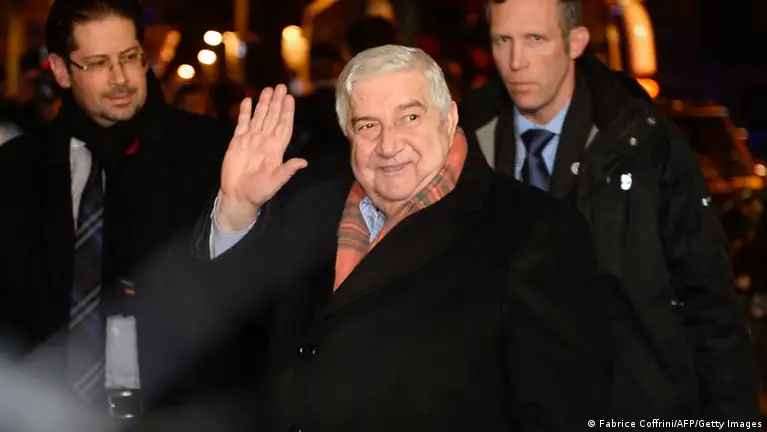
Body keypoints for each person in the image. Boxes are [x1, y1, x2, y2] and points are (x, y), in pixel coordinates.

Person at [199, 44, 611, 431]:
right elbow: (231, 336)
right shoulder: (310, 211)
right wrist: (237, 208)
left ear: (448, 119)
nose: (388, 145)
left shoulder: (534, 230)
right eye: (368, 126)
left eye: (409, 118)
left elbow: (562, 413)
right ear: (348, 135)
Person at [458, 0, 760, 423]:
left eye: (535, 39)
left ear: (575, 42)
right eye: (502, 40)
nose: (516, 60)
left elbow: (710, 302)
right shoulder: (464, 145)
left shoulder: (646, 145)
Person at [0, 0, 235, 423]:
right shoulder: (16, 169)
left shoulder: (212, 153)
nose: (120, 78)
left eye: (129, 57)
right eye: (97, 63)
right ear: (61, 70)